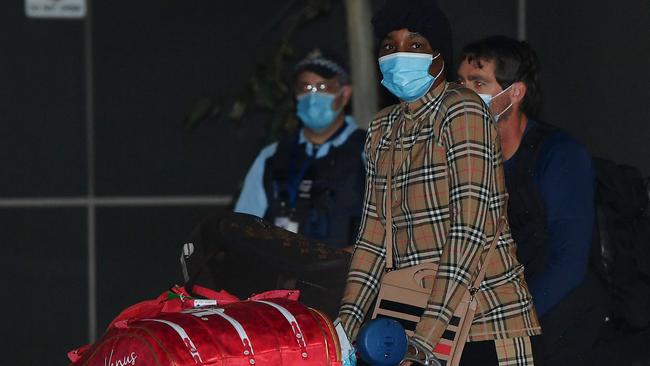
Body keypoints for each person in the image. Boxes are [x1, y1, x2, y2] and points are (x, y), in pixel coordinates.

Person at [337, 1, 542, 365]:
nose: (399, 54)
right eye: (389, 46)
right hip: (409, 319)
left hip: (482, 320)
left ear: (438, 56)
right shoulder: (384, 128)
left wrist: (427, 334)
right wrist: (344, 329)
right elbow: (372, 237)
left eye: (415, 45)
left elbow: (471, 229)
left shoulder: (461, 110)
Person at [457, 35, 606, 365]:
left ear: (515, 92)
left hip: (558, 315)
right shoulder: (468, 157)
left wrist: (505, 319)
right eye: (461, 82)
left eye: (478, 82)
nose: (463, 93)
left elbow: (568, 265)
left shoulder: (559, 156)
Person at [234, 50, 365, 248]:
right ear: (295, 96)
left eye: (323, 87)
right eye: (305, 87)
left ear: (345, 94)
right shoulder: (272, 156)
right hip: (281, 273)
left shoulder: (371, 151)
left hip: (347, 274)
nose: (312, 96)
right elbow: (242, 230)